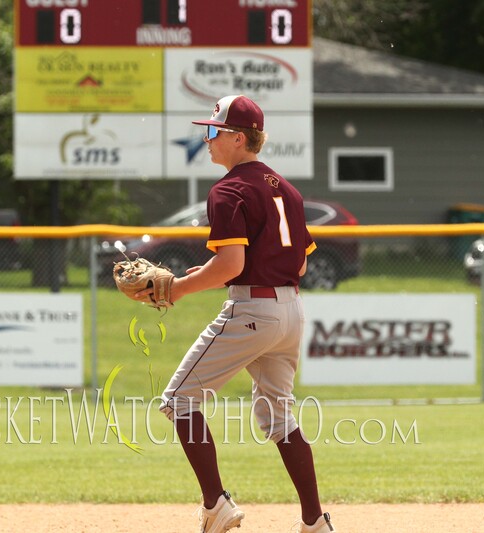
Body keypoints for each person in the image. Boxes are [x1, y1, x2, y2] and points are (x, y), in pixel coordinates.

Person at [143, 95, 336, 533]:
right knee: (280, 418)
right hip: (290, 310)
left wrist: (177, 289)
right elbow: (298, 266)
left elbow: (231, 265)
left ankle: (216, 505)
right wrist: (211, 274)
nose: (207, 138)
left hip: (253, 311)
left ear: (237, 138)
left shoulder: (228, 189)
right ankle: (315, 521)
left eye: (213, 130)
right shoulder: (287, 189)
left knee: (179, 401)